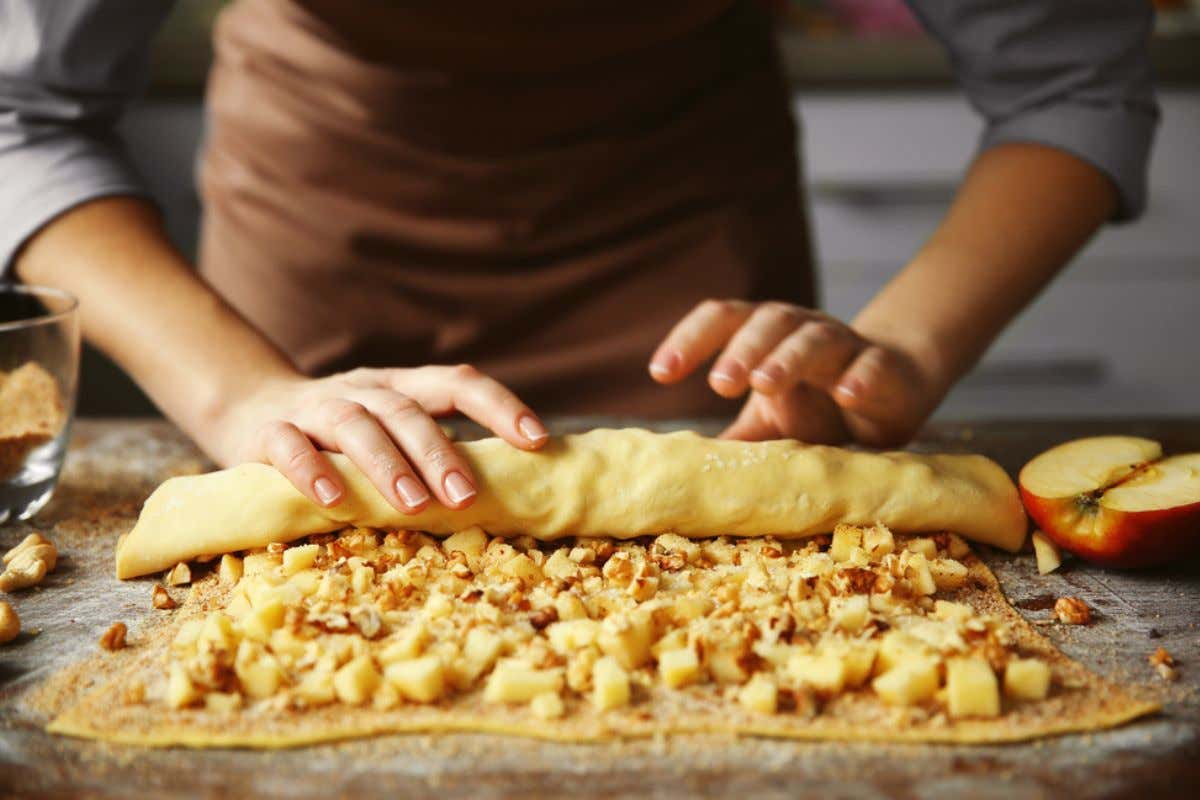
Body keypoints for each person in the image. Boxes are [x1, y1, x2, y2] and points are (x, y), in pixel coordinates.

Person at [0, 1, 1158, 515]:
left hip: (692, 285)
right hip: (313, 269)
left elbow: (1071, 78)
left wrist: (904, 344)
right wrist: (244, 390)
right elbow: (21, 105)